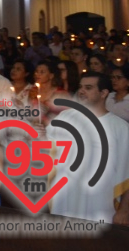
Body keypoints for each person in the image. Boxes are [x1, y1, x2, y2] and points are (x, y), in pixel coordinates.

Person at [48, 73, 129, 224]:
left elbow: (127, 175)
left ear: (104, 93)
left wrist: (125, 211)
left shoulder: (121, 128)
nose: (81, 91)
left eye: (88, 88)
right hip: (65, 201)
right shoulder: (64, 118)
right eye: (80, 87)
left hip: (99, 205)